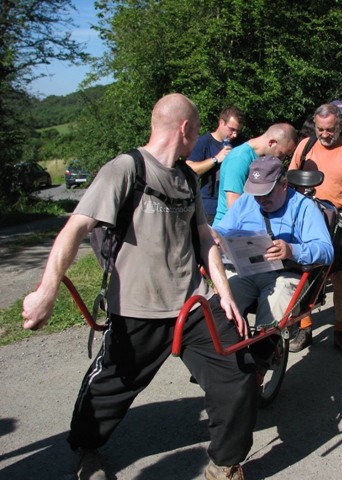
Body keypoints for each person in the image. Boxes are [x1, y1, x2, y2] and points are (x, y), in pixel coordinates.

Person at [21, 93, 255, 480]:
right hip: (136, 307)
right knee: (111, 387)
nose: (199, 137)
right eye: (197, 129)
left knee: (237, 375)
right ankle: (86, 449)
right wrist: (47, 291)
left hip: (193, 304)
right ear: (185, 128)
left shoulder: (185, 176)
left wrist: (224, 293)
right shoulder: (125, 169)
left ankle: (226, 464)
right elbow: (75, 227)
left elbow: (203, 235)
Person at [213, 155, 333, 327]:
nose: (260, 199)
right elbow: (221, 231)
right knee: (221, 310)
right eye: (256, 193)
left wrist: (292, 250)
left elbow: (326, 251)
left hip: (285, 275)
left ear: (284, 184)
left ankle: (265, 349)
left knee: (272, 317)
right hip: (247, 274)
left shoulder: (304, 207)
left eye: (266, 193)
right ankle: (230, 346)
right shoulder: (246, 201)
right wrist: (214, 238)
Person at [287, 103, 342, 355]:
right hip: (305, 220)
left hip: (340, 221)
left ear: (341, 124)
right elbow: (289, 178)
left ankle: (341, 331)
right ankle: (304, 328)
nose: (324, 134)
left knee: (340, 279)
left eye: (330, 129)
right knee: (305, 275)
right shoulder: (306, 146)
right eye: (320, 129)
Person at [213, 123, 298, 225]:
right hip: (231, 230)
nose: (282, 159)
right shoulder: (239, 160)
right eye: (282, 154)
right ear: (271, 143)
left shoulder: (261, 159)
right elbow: (234, 206)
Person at [186, 106, 245, 223]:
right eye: (232, 129)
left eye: (238, 131)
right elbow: (189, 169)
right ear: (221, 122)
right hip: (209, 207)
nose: (235, 135)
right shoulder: (203, 142)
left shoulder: (242, 143)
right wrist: (216, 159)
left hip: (235, 204)